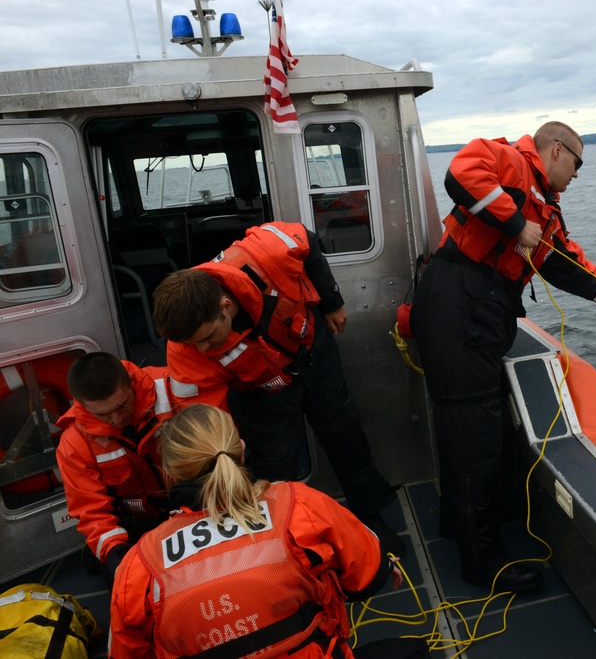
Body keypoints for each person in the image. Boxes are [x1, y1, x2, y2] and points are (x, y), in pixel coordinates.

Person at [409, 121, 596, 592]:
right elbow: (461, 173)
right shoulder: (509, 161)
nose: (578, 175)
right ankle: (481, 562)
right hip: (458, 309)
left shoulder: (545, 209)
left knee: (467, 431)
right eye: (578, 164)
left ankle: (460, 524)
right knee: (475, 440)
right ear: (557, 150)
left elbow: (568, 266)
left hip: (476, 314)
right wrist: (513, 223)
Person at [151, 222, 404, 557]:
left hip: (315, 355)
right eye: (193, 344)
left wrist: (331, 301)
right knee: (275, 466)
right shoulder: (185, 350)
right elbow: (208, 420)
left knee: (346, 437)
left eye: (207, 338)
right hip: (260, 393)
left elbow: (308, 241)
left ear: (225, 306)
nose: (202, 350)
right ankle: (289, 538)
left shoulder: (266, 253)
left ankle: (370, 517)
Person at [109, 404, 424, 659]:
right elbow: (365, 578)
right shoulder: (297, 504)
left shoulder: (140, 566)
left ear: (169, 473)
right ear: (241, 449)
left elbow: (128, 651)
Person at [55, 352, 175, 589]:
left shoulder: (170, 386)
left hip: (191, 503)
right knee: (128, 588)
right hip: (135, 522)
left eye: (122, 405)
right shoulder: (74, 444)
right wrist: (116, 553)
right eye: (103, 414)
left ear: (131, 382)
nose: (117, 418)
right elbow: (91, 510)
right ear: (81, 403)